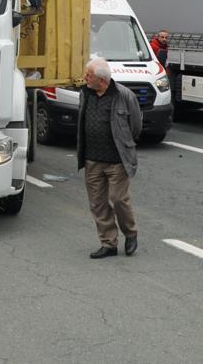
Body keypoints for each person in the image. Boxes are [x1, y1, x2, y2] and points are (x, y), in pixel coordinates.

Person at [77, 58, 141, 259]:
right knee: (98, 203)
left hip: (117, 160)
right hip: (92, 159)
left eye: (89, 75)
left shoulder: (124, 96)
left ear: (102, 80)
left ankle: (130, 233)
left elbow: (135, 126)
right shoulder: (85, 93)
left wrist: (124, 145)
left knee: (118, 199)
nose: (85, 78)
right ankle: (108, 243)